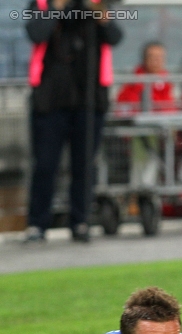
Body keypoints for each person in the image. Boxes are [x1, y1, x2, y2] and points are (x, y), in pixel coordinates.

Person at [23, 0, 123, 243]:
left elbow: (114, 36)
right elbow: (36, 32)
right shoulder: (42, 3)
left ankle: (80, 221)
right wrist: (56, 8)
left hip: (88, 101)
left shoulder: (94, 5)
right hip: (50, 101)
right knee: (46, 165)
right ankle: (37, 224)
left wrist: (99, 12)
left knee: (84, 165)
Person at [116, 41, 175, 113]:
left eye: (160, 57)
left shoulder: (167, 83)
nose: (156, 60)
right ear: (144, 59)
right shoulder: (132, 84)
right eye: (152, 56)